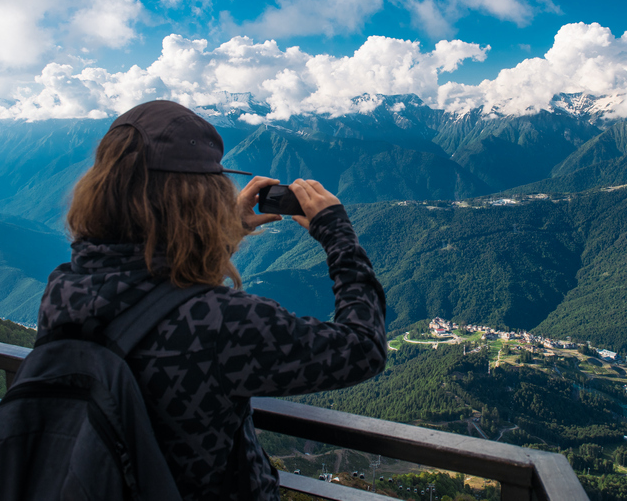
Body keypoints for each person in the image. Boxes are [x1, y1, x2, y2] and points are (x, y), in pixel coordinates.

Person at [35, 100, 387, 500]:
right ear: (202, 201)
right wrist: (338, 234)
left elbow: (151, 296)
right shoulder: (224, 324)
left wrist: (221, 238)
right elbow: (363, 348)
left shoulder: (64, 290)